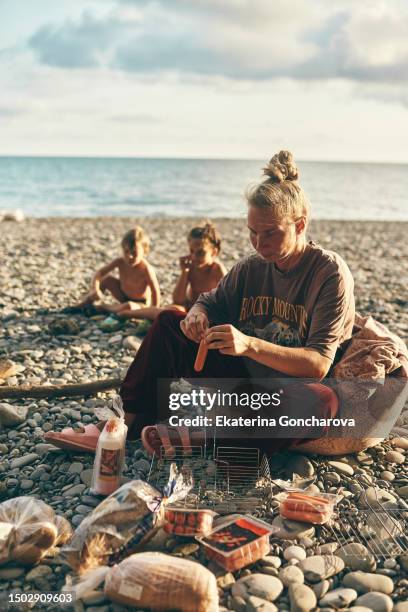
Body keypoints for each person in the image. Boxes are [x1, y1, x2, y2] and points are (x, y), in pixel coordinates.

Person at [45, 151, 358, 456]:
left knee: (321, 402)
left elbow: (317, 365)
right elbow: (209, 301)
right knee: (169, 319)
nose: (259, 244)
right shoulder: (252, 267)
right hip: (239, 386)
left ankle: (202, 436)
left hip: (286, 395)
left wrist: (249, 344)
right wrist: (197, 314)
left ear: (300, 225)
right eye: (252, 233)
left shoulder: (328, 273)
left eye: (270, 234)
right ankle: (121, 426)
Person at [113, 221, 226, 320]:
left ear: (214, 252)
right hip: (189, 308)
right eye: (191, 251)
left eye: (200, 253)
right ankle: (127, 313)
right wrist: (184, 272)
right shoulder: (191, 267)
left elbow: (228, 300)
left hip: (207, 312)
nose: (194, 256)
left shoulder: (218, 270)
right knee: (170, 310)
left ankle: (126, 313)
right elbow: (178, 300)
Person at [73, 226, 160, 315]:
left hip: (140, 303)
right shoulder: (120, 261)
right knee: (107, 279)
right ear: (122, 249)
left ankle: (103, 308)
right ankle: (81, 306)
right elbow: (99, 273)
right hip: (123, 295)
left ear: (145, 251)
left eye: (134, 253)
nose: (130, 256)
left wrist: (153, 312)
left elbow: (155, 291)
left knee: (129, 306)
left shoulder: (146, 269)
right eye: (126, 251)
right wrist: (95, 290)